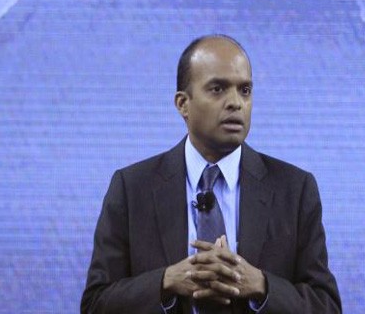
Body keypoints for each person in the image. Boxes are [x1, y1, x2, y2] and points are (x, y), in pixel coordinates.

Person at [81, 35, 341, 314]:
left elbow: (325, 306)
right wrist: (165, 282)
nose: (236, 103)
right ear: (183, 104)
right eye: (218, 89)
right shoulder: (132, 189)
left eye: (245, 90)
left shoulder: (295, 189)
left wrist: (262, 287)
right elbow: (96, 304)